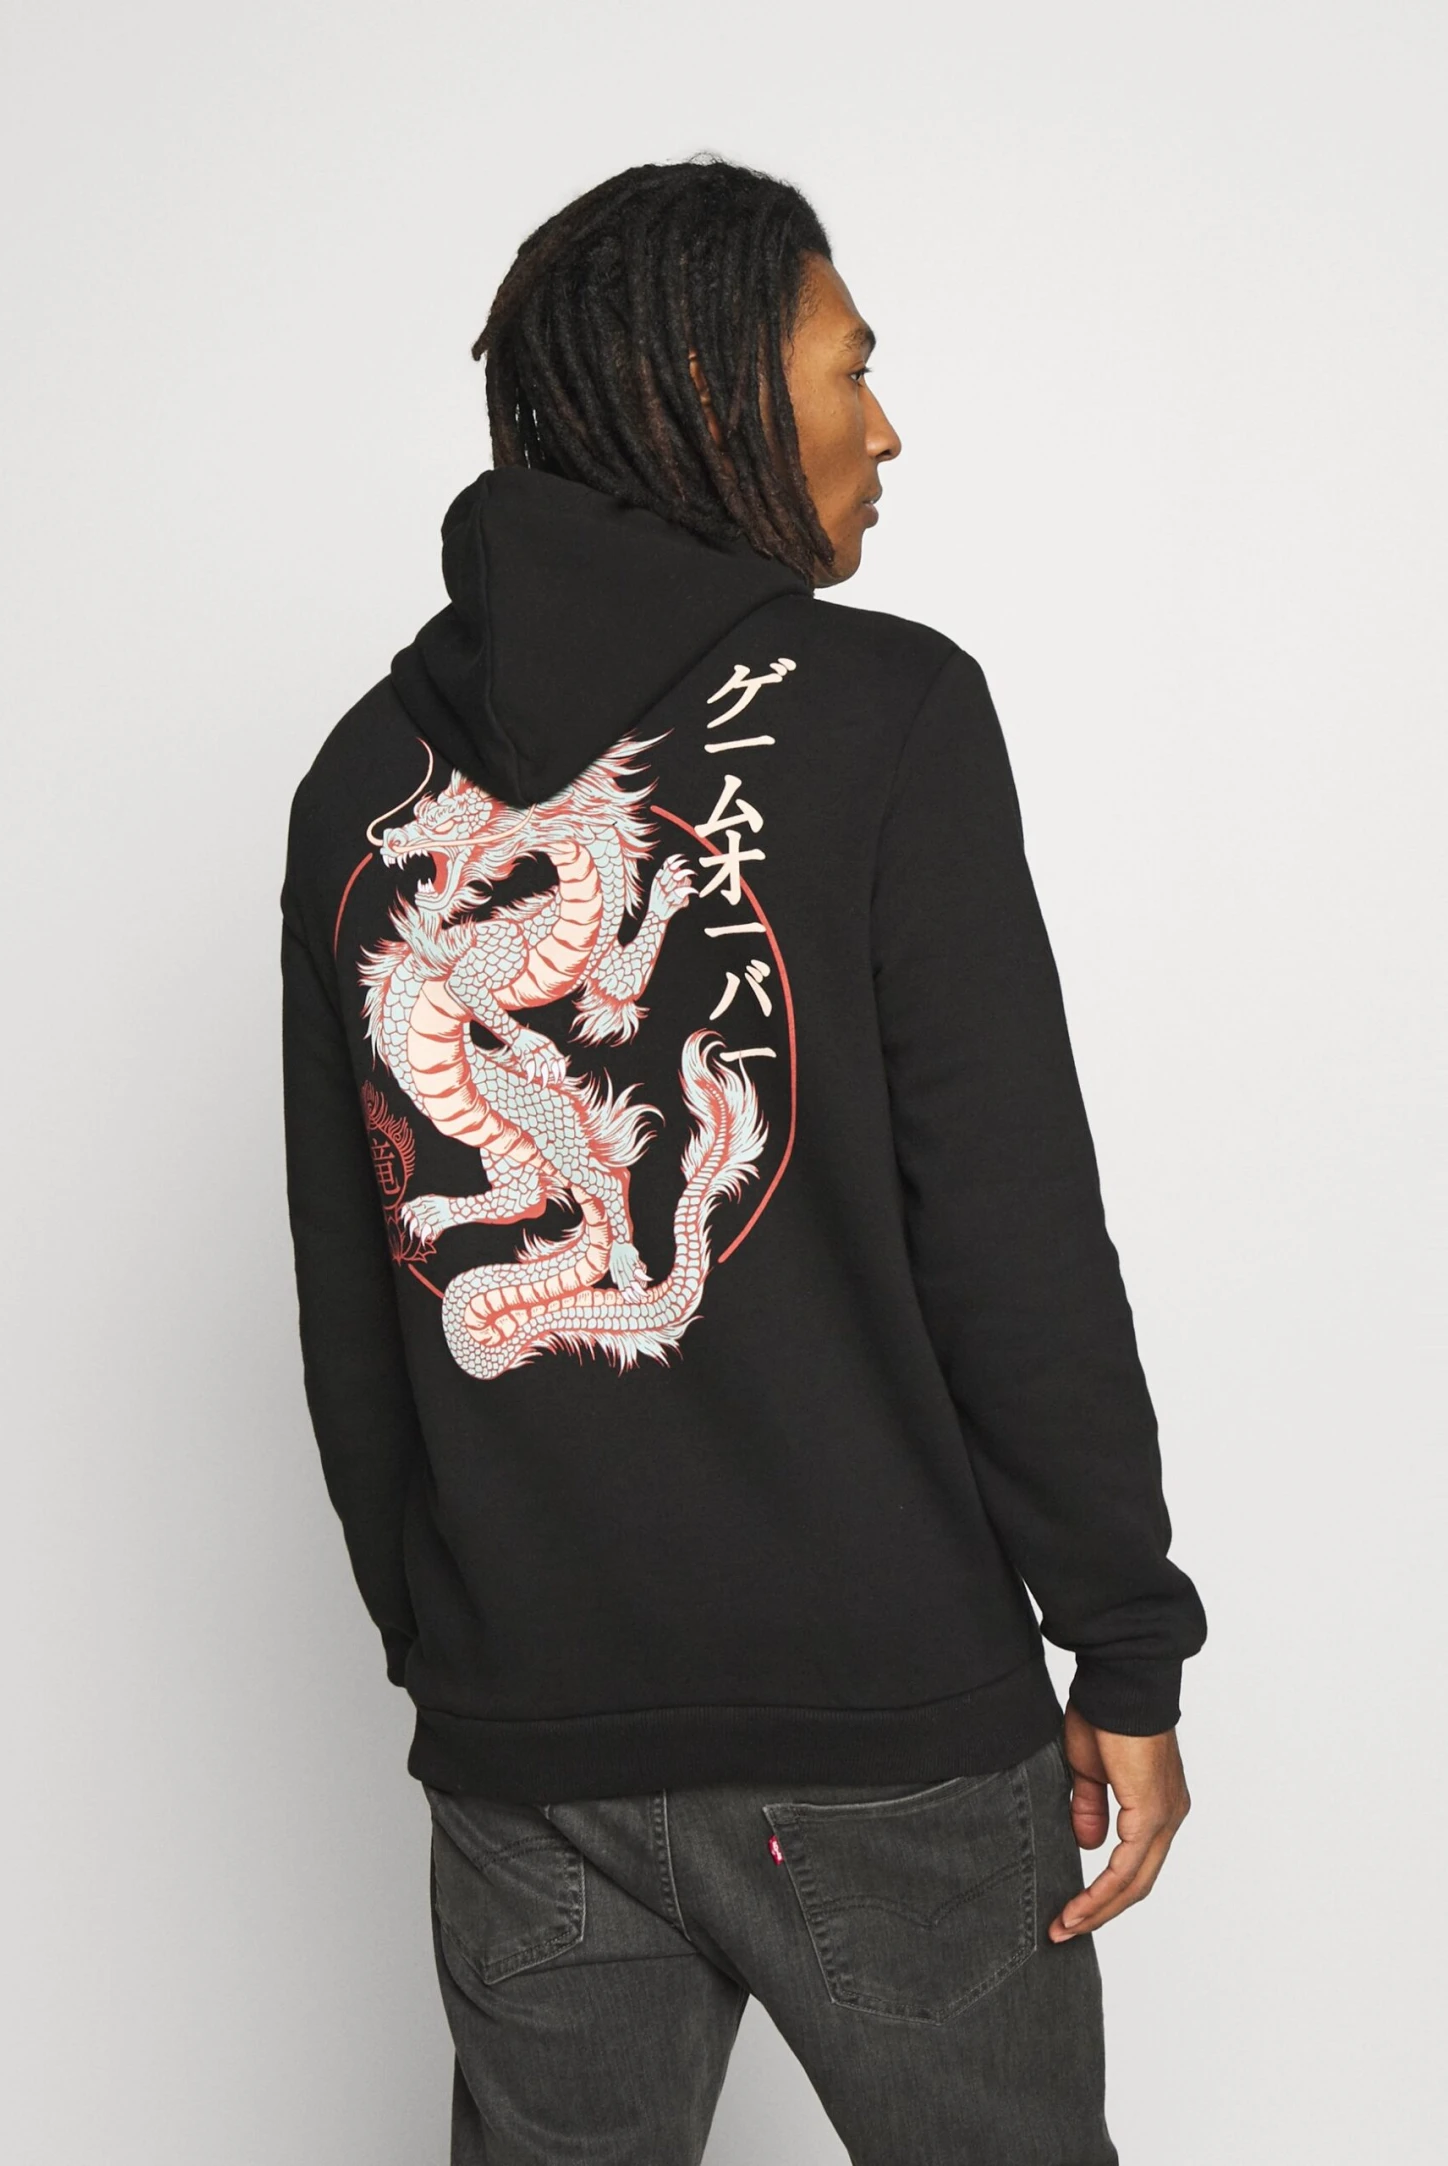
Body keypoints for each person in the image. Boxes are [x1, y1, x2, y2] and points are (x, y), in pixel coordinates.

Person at [281, 155, 1206, 2165]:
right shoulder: (890, 714)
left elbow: (354, 1299)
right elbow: (1011, 1230)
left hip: (532, 1738)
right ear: (711, 390)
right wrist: (1125, 1639)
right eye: (848, 367)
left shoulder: (361, 776)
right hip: (886, 1725)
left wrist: (469, 1652)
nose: (887, 425)